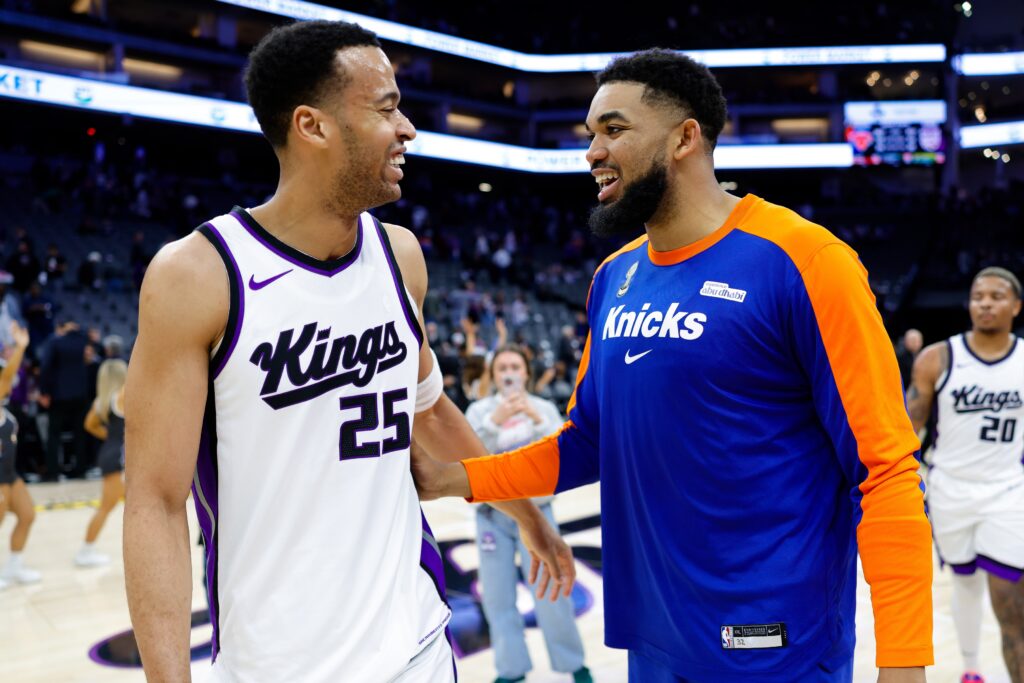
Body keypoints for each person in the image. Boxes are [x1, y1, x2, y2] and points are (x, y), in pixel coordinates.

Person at [412, 49, 932, 683]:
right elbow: (587, 445)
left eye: (614, 129)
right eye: (590, 134)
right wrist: (453, 478)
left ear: (686, 136)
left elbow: (886, 472)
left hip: (772, 643)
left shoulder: (807, 261)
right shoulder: (614, 276)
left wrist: (904, 666)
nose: (592, 152)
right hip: (653, 639)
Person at [123, 20, 574, 683]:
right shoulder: (198, 275)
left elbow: (432, 413)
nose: (408, 128)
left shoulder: (400, 257)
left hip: (416, 647)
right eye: (387, 107)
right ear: (312, 126)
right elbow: (155, 503)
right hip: (273, 663)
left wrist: (528, 516)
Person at [906, 267, 1024, 683]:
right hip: (949, 487)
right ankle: (972, 669)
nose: (985, 303)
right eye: (977, 296)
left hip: (1009, 489)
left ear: (1016, 305)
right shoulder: (937, 358)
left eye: (996, 295)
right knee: (965, 579)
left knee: (1010, 596)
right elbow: (909, 428)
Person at [465, 346, 591, 683]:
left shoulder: (546, 409)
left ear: (526, 373)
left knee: (552, 594)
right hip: (493, 517)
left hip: (539, 515)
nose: (509, 372)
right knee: (497, 596)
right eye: (502, 366)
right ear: (492, 375)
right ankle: (511, 669)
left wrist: (535, 419)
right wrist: (495, 422)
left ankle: (573, 663)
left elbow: (562, 453)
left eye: (515, 366)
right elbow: (466, 456)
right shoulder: (479, 411)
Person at [75, 358, 127, 567]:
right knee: (106, 506)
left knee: (131, 506)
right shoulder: (122, 396)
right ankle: (85, 551)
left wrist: (111, 438)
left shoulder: (102, 401)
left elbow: (89, 424)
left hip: (110, 453)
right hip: (119, 458)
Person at [0, 322, 40, 588]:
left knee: (27, 515)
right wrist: (20, 348)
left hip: (10, 475)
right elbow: (7, 377)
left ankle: (14, 568)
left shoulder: (6, 410)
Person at [38, 316, 91, 479]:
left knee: (54, 434)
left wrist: (44, 392)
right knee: (80, 433)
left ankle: (53, 471)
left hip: (59, 394)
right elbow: (90, 360)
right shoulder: (83, 340)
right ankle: (81, 469)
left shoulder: (55, 341)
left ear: (61, 327)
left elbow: (45, 367)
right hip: (81, 394)